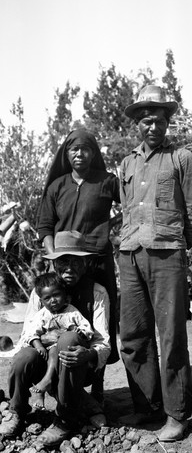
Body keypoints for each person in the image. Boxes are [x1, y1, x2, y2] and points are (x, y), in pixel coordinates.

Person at [118, 85, 192, 442]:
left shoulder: (182, 159)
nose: (152, 127)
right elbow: (127, 210)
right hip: (129, 254)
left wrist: (177, 242)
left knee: (171, 336)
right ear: (137, 125)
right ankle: (147, 407)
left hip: (168, 255)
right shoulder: (127, 163)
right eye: (145, 121)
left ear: (167, 123)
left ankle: (177, 414)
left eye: (158, 120)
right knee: (133, 335)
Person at [0, 231, 111, 445]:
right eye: (63, 261)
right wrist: (43, 340)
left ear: (86, 262)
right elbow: (26, 335)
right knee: (23, 356)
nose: (69, 268)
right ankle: (17, 410)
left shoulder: (97, 293)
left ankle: (65, 420)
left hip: (78, 363)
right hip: (45, 358)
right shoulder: (40, 292)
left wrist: (87, 353)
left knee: (68, 339)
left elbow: (103, 341)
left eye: (76, 261)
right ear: (55, 263)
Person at [36, 126, 121, 402]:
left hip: (97, 262)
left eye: (86, 149)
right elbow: (45, 226)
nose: (80, 154)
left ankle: (97, 390)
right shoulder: (57, 186)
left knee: (100, 324)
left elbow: (132, 206)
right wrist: (55, 260)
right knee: (61, 322)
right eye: (74, 149)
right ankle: (62, 389)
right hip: (64, 267)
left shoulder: (107, 181)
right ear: (66, 153)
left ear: (94, 153)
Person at [21, 272, 94, 410]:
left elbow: (86, 328)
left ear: (65, 295)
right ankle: (41, 390)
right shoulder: (42, 315)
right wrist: (38, 345)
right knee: (43, 354)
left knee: (56, 349)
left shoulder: (72, 312)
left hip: (67, 354)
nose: (53, 300)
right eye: (47, 298)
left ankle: (48, 383)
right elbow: (30, 332)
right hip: (46, 354)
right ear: (41, 301)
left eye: (56, 295)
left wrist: (80, 332)